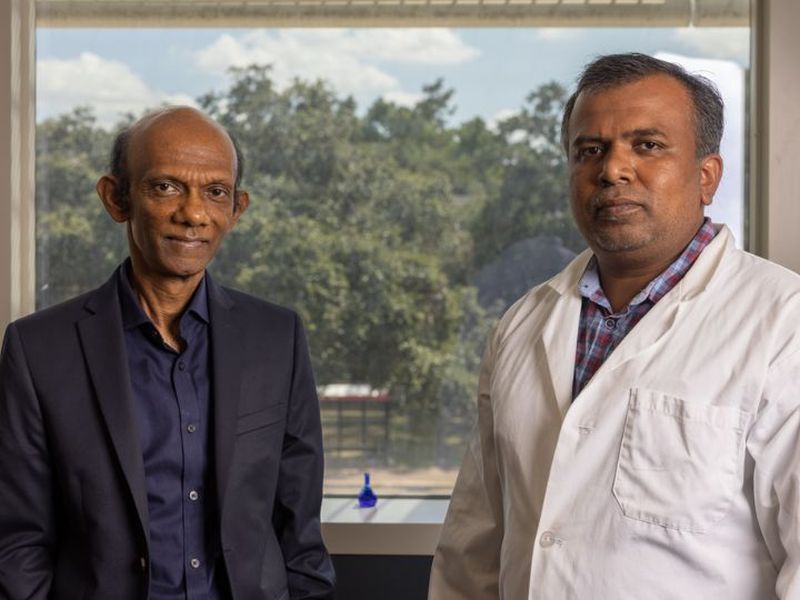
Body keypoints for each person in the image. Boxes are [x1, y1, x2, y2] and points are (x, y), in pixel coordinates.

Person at [429, 53, 800, 599]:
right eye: (590, 150)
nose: (612, 169)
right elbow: (474, 544)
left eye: (647, 145)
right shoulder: (522, 324)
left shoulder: (781, 323)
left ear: (706, 176)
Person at [0, 106, 335, 599]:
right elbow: (17, 540)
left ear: (237, 209)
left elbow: (299, 530)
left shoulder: (277, 337)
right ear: (116, 199)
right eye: (166, 187)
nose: (194, 213)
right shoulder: (38, 349)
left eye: (215, 192)